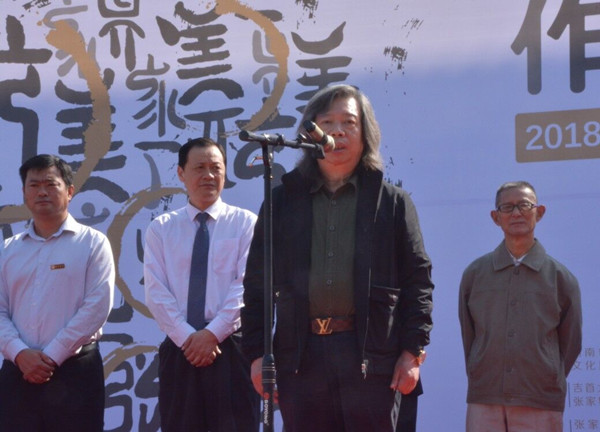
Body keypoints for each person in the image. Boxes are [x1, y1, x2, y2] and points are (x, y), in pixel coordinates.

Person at [241, 84, 434, 432]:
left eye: (349, 122)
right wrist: (257, 356)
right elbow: (257, 285)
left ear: (366, 133)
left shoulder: (392, 202)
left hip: (372, 358)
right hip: (301, 359)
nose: (338, 131)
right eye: (327, 122)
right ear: (310, 133)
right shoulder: (283, 201)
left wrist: (412, 352)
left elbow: (417, 281)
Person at [144, 137, 260, 432]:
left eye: (215, 168)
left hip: (231, 348)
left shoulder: (246, 223)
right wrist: (189, 338)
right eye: (199, 168)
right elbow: (156, 293)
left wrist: (211, 334)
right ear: (181, 173)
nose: (208, 175)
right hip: (180, 349)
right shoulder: (161, 229)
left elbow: (247, 287)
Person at [0, 154, 115, 432]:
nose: (42, 192)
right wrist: (20, 353)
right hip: (18, 370)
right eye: (34, 185)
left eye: (51, 184)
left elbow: (97, 307)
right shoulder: (8, 249)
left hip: (75, 372)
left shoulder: (93, 243)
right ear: (24, 192)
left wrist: (51, 356)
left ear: (70, 191)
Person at [458, 181, 582, 432]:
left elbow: (571, 344)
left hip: (539, 399)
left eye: (524, 205)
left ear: (540, 212)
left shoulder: (560, 278)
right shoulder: (475, 274)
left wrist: (547, 376)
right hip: (485, 397)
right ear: (496, 217)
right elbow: (469, 336)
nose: (516, 213)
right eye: (507, 207)